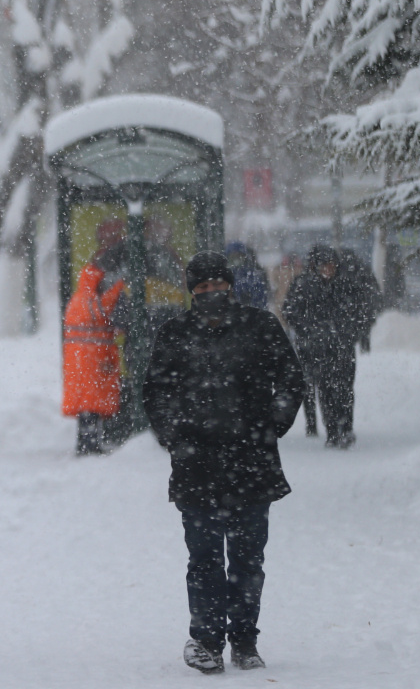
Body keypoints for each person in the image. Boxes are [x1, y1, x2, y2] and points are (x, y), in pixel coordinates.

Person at [143, 251, 305, 675]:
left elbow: (290, 378)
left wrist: (274, 423)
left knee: (249, 558)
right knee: (204, 558)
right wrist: (174, 434)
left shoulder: (260, 327)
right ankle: (206, 640)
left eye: (218, 285)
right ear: (191, 292)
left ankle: (246, 641)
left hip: (251, 462)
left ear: (230, 286)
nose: (211, 293)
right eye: (202, 288)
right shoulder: (175, 333)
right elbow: (156, 391)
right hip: (196, 466)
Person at [281, 245, 381, 448]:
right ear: (315, 267)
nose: (328, 270)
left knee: (345, 389)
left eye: (331, 266)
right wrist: (311, 332)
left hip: (343, 348)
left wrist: (351, 332)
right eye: (324, 266)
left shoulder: (346, 284)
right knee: (325, 390)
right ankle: (333, 430)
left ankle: (346, 429)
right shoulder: (303, 286)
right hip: (317, 351)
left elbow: (362, 310)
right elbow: (290, 312)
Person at [62, 245, 127, 455]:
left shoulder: (78, 298)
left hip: (78, 358)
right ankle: (90, 444)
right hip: (93, 357)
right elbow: (103, 311)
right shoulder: (93, 299)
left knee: (86, 403)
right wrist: (119, 287)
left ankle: (85, 442)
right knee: (92, 403)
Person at [225, 241, 271, 310]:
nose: (236, 259)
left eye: (239, 256)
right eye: (233, 257)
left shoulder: (253, 275)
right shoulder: (224, 274)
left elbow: (261, 299)